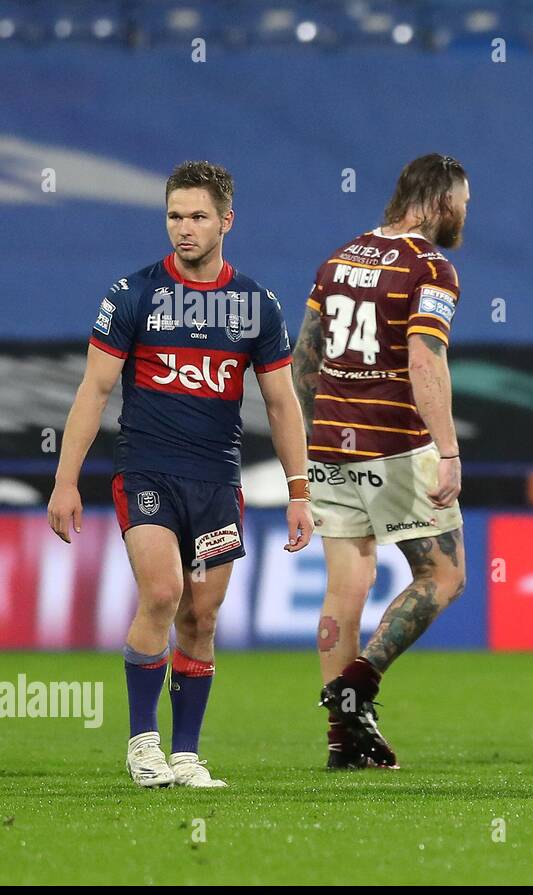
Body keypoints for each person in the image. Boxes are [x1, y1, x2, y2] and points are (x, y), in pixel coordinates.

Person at [47, 160, 311, 788]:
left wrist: (300, 491)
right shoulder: (132, 294)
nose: (184, 229)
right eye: (174, 216)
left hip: (217, 481)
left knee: (202, 617)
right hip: (146, 471)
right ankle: (143, 745)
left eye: (197, 216)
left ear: (226, 220)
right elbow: (93, 391)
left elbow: (281, 403)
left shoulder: (255, 305)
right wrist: (65, 480)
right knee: (163, 594)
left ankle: (186, 754)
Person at [292, 155, 469, 769]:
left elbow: (302, 366)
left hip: (330, 446)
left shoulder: (336, 261)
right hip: (397, 444)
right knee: (443, 577)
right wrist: (447, 450)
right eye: (463, 203)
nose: (465, 215)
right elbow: (425, 361)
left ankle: (343, 744)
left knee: (346, 586)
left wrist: (330, 427)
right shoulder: (432, 267)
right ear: (441, 201)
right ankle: (359, 685)